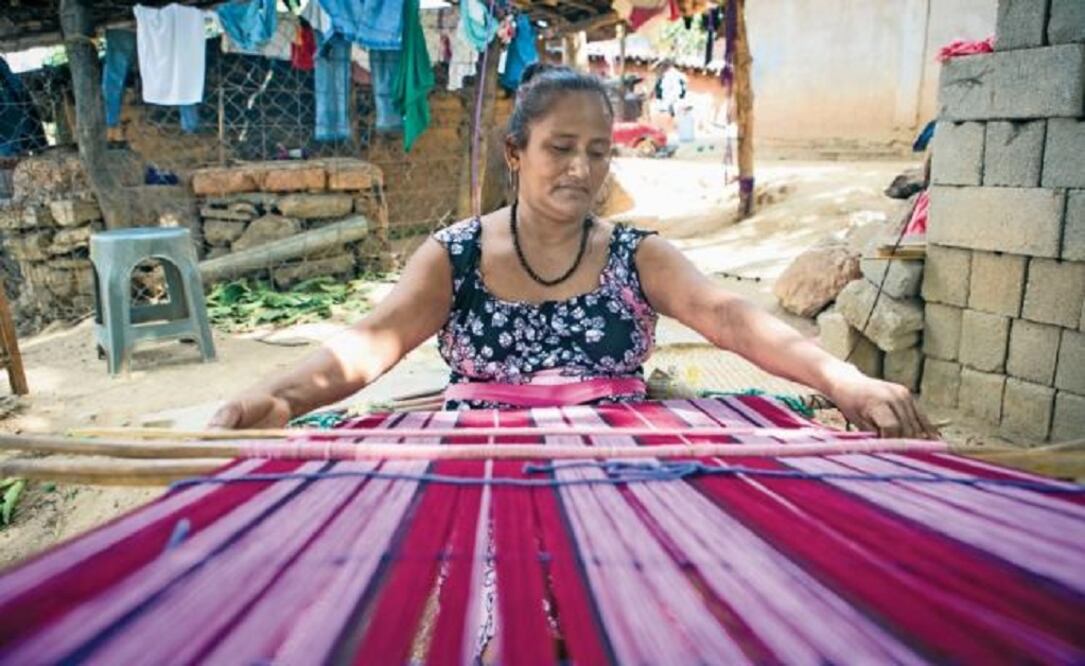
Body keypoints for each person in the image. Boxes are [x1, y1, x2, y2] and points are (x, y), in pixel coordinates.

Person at [210, 64, 937, 439]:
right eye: (560, 149)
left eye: (597, 152)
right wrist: (276, 396)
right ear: (514, 153)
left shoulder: (636, 255)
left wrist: (847, 383)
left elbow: (734, 319)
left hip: (622, 452)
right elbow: (366, 347)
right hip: (481, 458)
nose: (581, 169)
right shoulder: (453, 256)